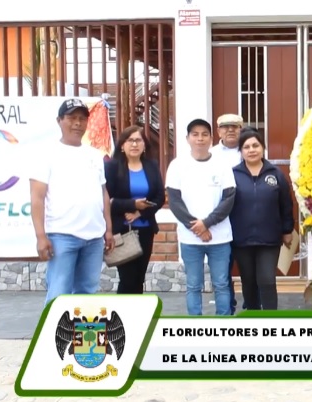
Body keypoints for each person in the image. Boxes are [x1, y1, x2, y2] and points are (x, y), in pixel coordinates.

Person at [29, 98, 115, 305]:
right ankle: (54, 337)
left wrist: (109, 229)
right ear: (59, 120)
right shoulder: (45, 154)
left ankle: (80, 337)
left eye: (82, 119)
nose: (77, 123)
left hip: (94, 238)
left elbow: (103, 193)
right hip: (62, 236)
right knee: (59, 294)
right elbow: (37, 198)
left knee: (86, 293)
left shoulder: (95, 155)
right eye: (72, 118)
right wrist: (41, 236)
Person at [166, 118, 236, 315]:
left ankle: (223, 325)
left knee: (221, 284)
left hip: (219, 237)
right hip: (190, 238)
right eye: (195, 134)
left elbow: (229, 199)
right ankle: (195, 326)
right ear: (187, 138)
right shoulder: (177, 165)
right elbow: (174, 201)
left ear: (211, 138)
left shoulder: (222, 165)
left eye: (205, 134)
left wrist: (206, 223)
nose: (200, 138)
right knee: (193, 285)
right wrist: (196, 227)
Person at [230, 127, 294, 310]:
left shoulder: (275, 174)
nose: (251, 150)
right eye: (247, 146)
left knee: (266, 279)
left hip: (269, 238)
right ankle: (253, 315)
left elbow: (286, 204)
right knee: (248, 281)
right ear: (241, 151)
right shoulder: (233, 175)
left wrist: (287, 230)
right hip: (242, 239)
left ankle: (270, 319)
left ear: (263, 148)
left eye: (255, 145)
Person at [104, 126, 165, 294]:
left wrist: (140, 212)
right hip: (121, 231)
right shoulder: (112, 168)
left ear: (144, 145)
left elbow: (160, 197)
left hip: (145, 229)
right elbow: (107, 201)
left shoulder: (151, 166)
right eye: (129, 140)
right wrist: (132, 205)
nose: (134, 144)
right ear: (122, 145)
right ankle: (121, 317)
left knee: (139, 277)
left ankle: (138, 316)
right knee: (127, 279)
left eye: (138, 140)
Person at [211, 113, 243, 313]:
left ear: (241, 129)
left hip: (246, 217)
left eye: (234, 126)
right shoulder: (211, 154)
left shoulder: (249, 149)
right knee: (223, 269)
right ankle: (227, 307)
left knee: (249, 268)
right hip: (221, 218)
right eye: (225, 127)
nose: (230, 130)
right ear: (218, 130)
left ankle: (252, 308)